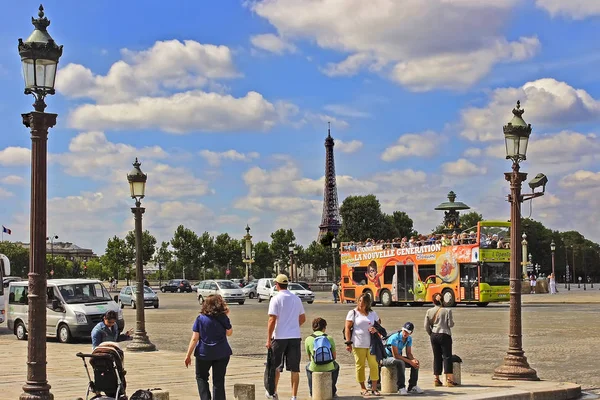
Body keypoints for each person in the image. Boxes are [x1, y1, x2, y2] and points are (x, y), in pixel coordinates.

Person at [265, 274, 306, 400]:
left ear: (277, 285)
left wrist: (268, 339)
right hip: (294, 336)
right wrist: (293, 325)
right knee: (295, 369)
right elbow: (303, 318)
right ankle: (294, 396)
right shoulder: (296, 299)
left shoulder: (276, 299)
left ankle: (274, 392)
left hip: (279, 336)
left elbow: (272, 320)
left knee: (276, 367)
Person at [184, 294, 233, 400]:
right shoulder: (223, 318)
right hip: (222, 353)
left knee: (201, 377)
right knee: (218, 381)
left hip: (204, 353)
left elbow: (194, 338)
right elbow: (229, 333)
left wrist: (188, 355)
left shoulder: (200, 319)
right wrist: (226, 317)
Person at [345, 293, 381, 396]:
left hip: (372, 343)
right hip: (358, 343)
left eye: (364, 302)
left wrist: (375, 328)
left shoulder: (372, 313)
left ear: (367, 303)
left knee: (374, 365)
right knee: (360, 366)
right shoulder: (353, 313)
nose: (361, 304)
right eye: (360, 301)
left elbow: (379, 324)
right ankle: (363, 387)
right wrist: (348, 343)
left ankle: (374, 387)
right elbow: (347, 328)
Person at [424, 293, 457, 387]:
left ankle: (436, 379)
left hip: (434, 335)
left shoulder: (429, 311)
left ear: (433, 301)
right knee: (447, 356)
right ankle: (449, 379)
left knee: (436, 356)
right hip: (445, 334)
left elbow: (426, 326)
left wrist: (431, 333)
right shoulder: (447, 311)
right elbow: (450, 324)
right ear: (442, 300)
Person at [382, 322, 423, 395]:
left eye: (408, 332)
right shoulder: (395, 338)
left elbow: (409, 353)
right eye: (404, 330)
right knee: (400, 362)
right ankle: (401, 387)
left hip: (397, 357)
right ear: (402, 329)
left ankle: (412, 386)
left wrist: (413, 360)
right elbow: (396, 356)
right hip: (386, 358)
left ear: (411, 333)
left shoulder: (409, 339)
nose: (405, 333)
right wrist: (410, 362)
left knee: (416, 363)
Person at [305, 318, 340, 397]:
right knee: (336, 366)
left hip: (315, 367)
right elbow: (334, 357)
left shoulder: (308, 339)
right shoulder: (329, 338)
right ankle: (332, 390)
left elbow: (309, 357)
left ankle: (312, 391)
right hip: (329, 367)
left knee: (308, 366)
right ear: (324, 327)